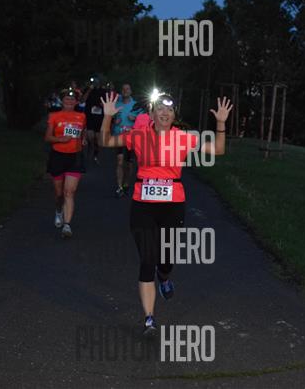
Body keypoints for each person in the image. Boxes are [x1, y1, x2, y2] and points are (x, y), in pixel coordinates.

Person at [99, 90, 233, 336]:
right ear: (151, 114)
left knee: (166, 257)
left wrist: (221, 123)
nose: (164, 113)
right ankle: (149, 318)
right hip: (143, 205)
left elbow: (218, 149)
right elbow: (106, 141)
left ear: (174, 116)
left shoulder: (182, 137)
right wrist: (107, 117)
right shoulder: (138, 135)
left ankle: (164, 276)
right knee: (147, 259)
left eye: (169, 110)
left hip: (172, 205)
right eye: (160, 108)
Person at [44, 87, 87, 238]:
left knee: (69, 192)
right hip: (58, 157)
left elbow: (82, 133)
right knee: (59, 194)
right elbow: (47, 137)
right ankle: (58, 210)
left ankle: (67, 225)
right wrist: (61, 139)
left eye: (72, 99)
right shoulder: (54, 116)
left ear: (76, 102)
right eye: (67, 99)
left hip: (75, 157)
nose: (69, 101)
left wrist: (83, 140)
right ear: (62, 101)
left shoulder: (81, 116)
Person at [112, 83, 141, 197]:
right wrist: (114, 121)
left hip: (132, 137)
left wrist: (135, 119)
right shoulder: (116, 104)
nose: (125, 91)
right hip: (118, 135)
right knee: (119, 161)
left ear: (131, 91)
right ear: (121, 91)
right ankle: (119, 187)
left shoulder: (136, 105)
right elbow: (109, 118)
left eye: (127, 89)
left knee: (128, 164)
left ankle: (126, 184)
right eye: (123, 89)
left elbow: (144, 121)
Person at [81, 77, 107, 164]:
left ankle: (96, 155)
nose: (95, 83)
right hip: (90, 116)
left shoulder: (104, 91)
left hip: (99, 117)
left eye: (97, 81)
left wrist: (103, 105)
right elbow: (82, 100)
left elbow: (107, 104)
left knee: (97, 140)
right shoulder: (88, 89)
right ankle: (90, 150)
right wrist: (89, 90)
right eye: (94, 82)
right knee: (90, 137)